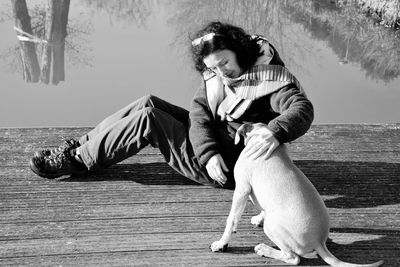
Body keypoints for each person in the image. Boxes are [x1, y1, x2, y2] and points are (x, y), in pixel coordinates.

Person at [30, 21, 314, 190]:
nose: (222, 72)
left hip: (228, 167)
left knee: (149, 120)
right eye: (214, 67)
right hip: (214, 147)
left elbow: (301, 108)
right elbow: (199, 114)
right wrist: (208, 149)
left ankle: (79, 162)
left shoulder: (268, 79)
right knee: (148, 102)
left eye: (225, 62)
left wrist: (275, 131)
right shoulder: (218, 76)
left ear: (239, 50)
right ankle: (79, 146)